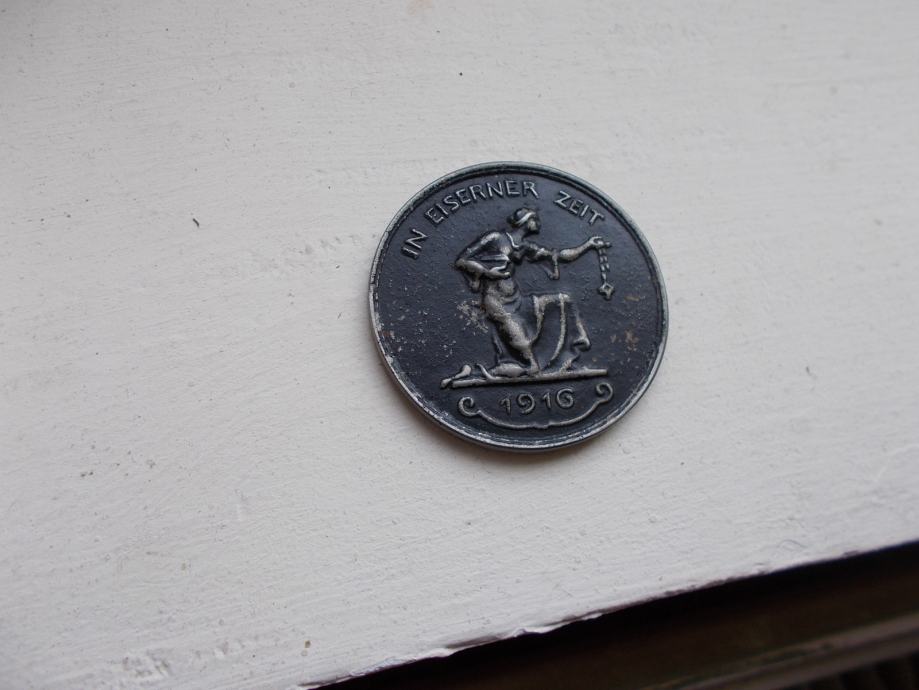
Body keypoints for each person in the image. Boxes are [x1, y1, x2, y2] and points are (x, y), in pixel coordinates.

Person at [446, 207, 609, 386]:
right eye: (535, 219)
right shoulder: (495, 238)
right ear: (525, 221)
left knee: (562, 300)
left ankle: (574, 346)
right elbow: (462, 261)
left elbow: (557, 256)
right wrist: (486, 272)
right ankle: (499, 370)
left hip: (517, 299)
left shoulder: (523, 247)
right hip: (496, 301)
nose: (538, 223)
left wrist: (588, 245)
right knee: (524, 351)